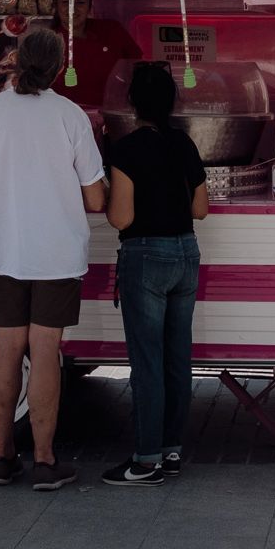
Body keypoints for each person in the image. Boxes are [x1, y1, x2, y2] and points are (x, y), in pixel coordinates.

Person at [0, 27, 106, 491]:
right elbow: (97, 199)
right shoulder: (71, 117)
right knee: (45, 353)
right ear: (59, 67)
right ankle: (44, 461)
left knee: (6, 349)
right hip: (57, 255)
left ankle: (1, 457)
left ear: (16, 62)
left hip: (6, 252)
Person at [101, 61, 207, 487]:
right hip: (186, 253)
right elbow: (199, 209)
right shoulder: (185, 143)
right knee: (177, 360)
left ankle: (145, 461)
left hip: (145, 257)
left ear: (132, 104)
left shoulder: (125, 151)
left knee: (147, 363)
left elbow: (121, 218)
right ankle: (171, 451)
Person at [48, 0, 141, 109]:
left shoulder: (112, 30)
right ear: (56, 5)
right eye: (66, 2)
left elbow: (139, 69)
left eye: (80, 2)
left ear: (90, 5)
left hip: (111, 118)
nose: (72, 9)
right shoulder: (47, 43)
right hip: (63, 122)